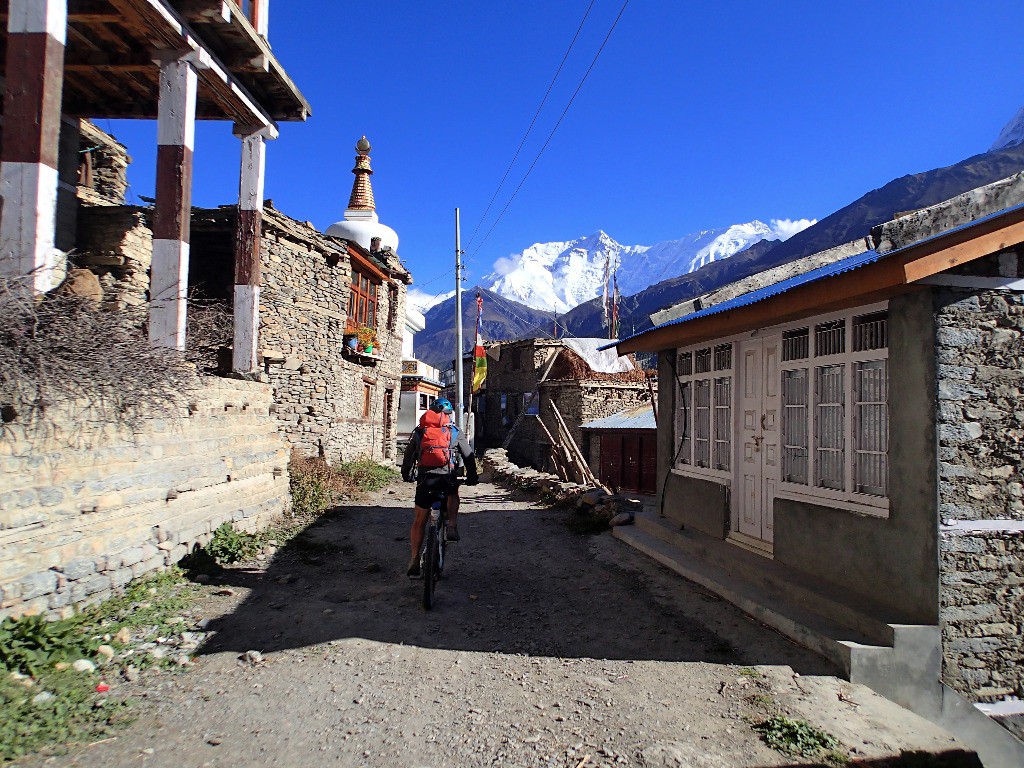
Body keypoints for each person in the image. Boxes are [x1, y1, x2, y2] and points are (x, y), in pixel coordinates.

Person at [401, 398, 478, 577]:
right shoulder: (454, 432)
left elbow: (408, 458)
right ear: (448, 415)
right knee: (453, 491)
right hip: (446, 478)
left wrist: (406, 475)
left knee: (419, 520)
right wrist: (472, 477)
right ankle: (451, 524)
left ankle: (414, 558)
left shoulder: (420, 432)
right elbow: (468, 456)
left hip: (424, 480)